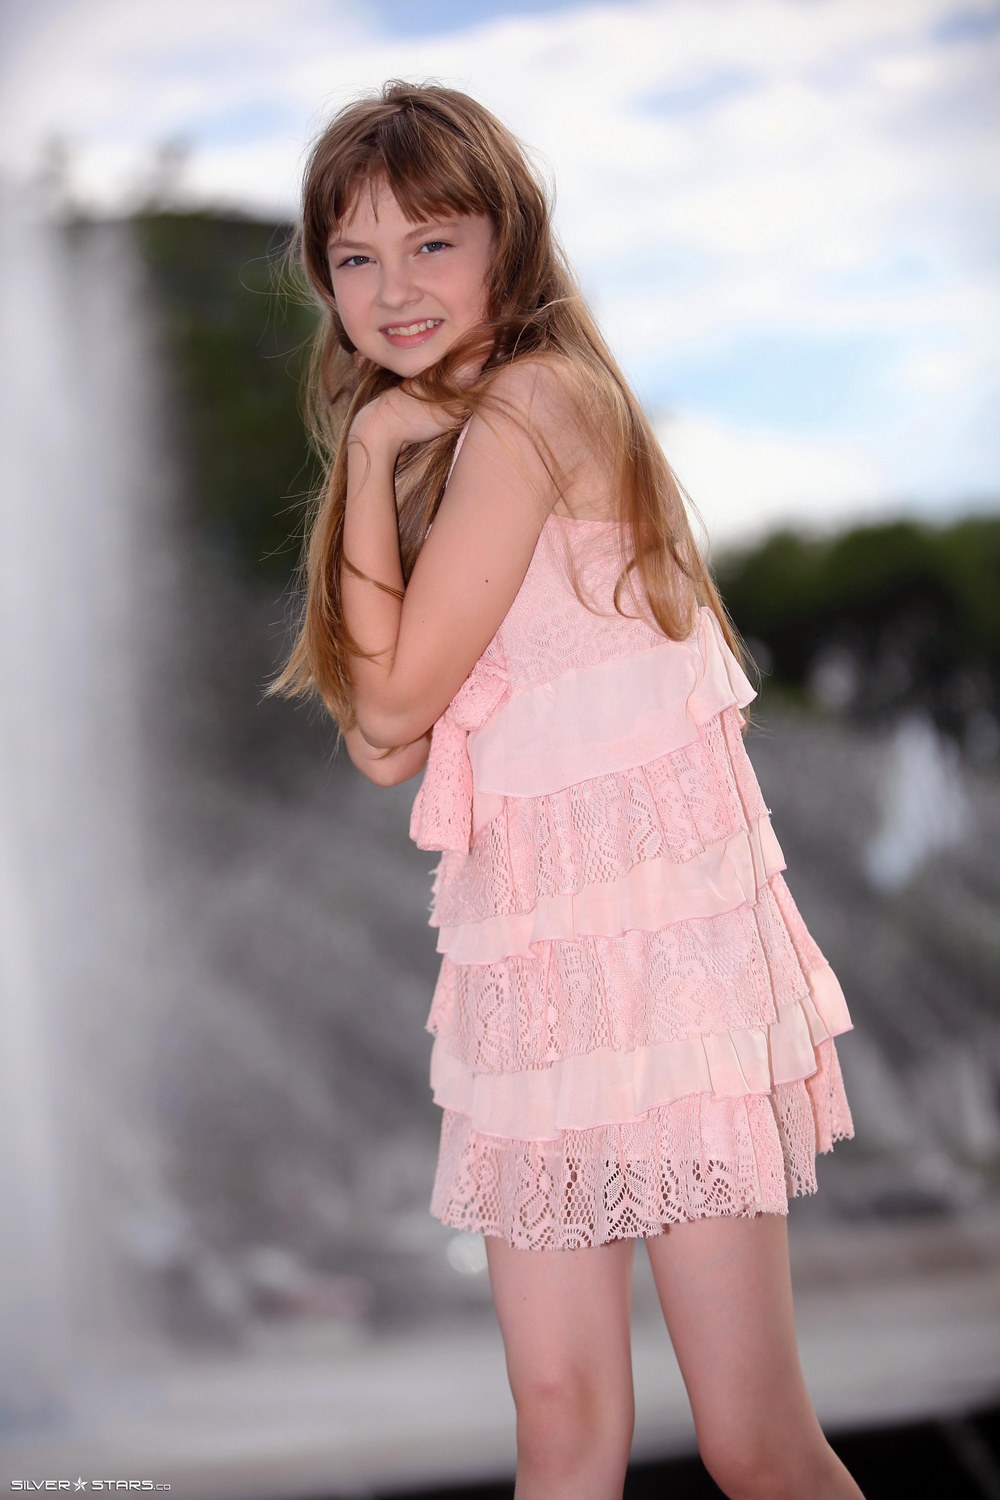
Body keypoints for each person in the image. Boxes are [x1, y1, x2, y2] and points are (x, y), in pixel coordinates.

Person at [267, 78, 865, 1500]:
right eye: (357, 257)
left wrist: (370, 447)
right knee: (562, 1421)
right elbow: (387, 743)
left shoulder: (541, 404)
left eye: (433, 242)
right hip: (538, 974)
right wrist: (374, 460)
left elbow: (392, 705)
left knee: (754, 1442)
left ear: (509, 242)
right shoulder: (448, 444)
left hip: (662, 963)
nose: (395, 289)